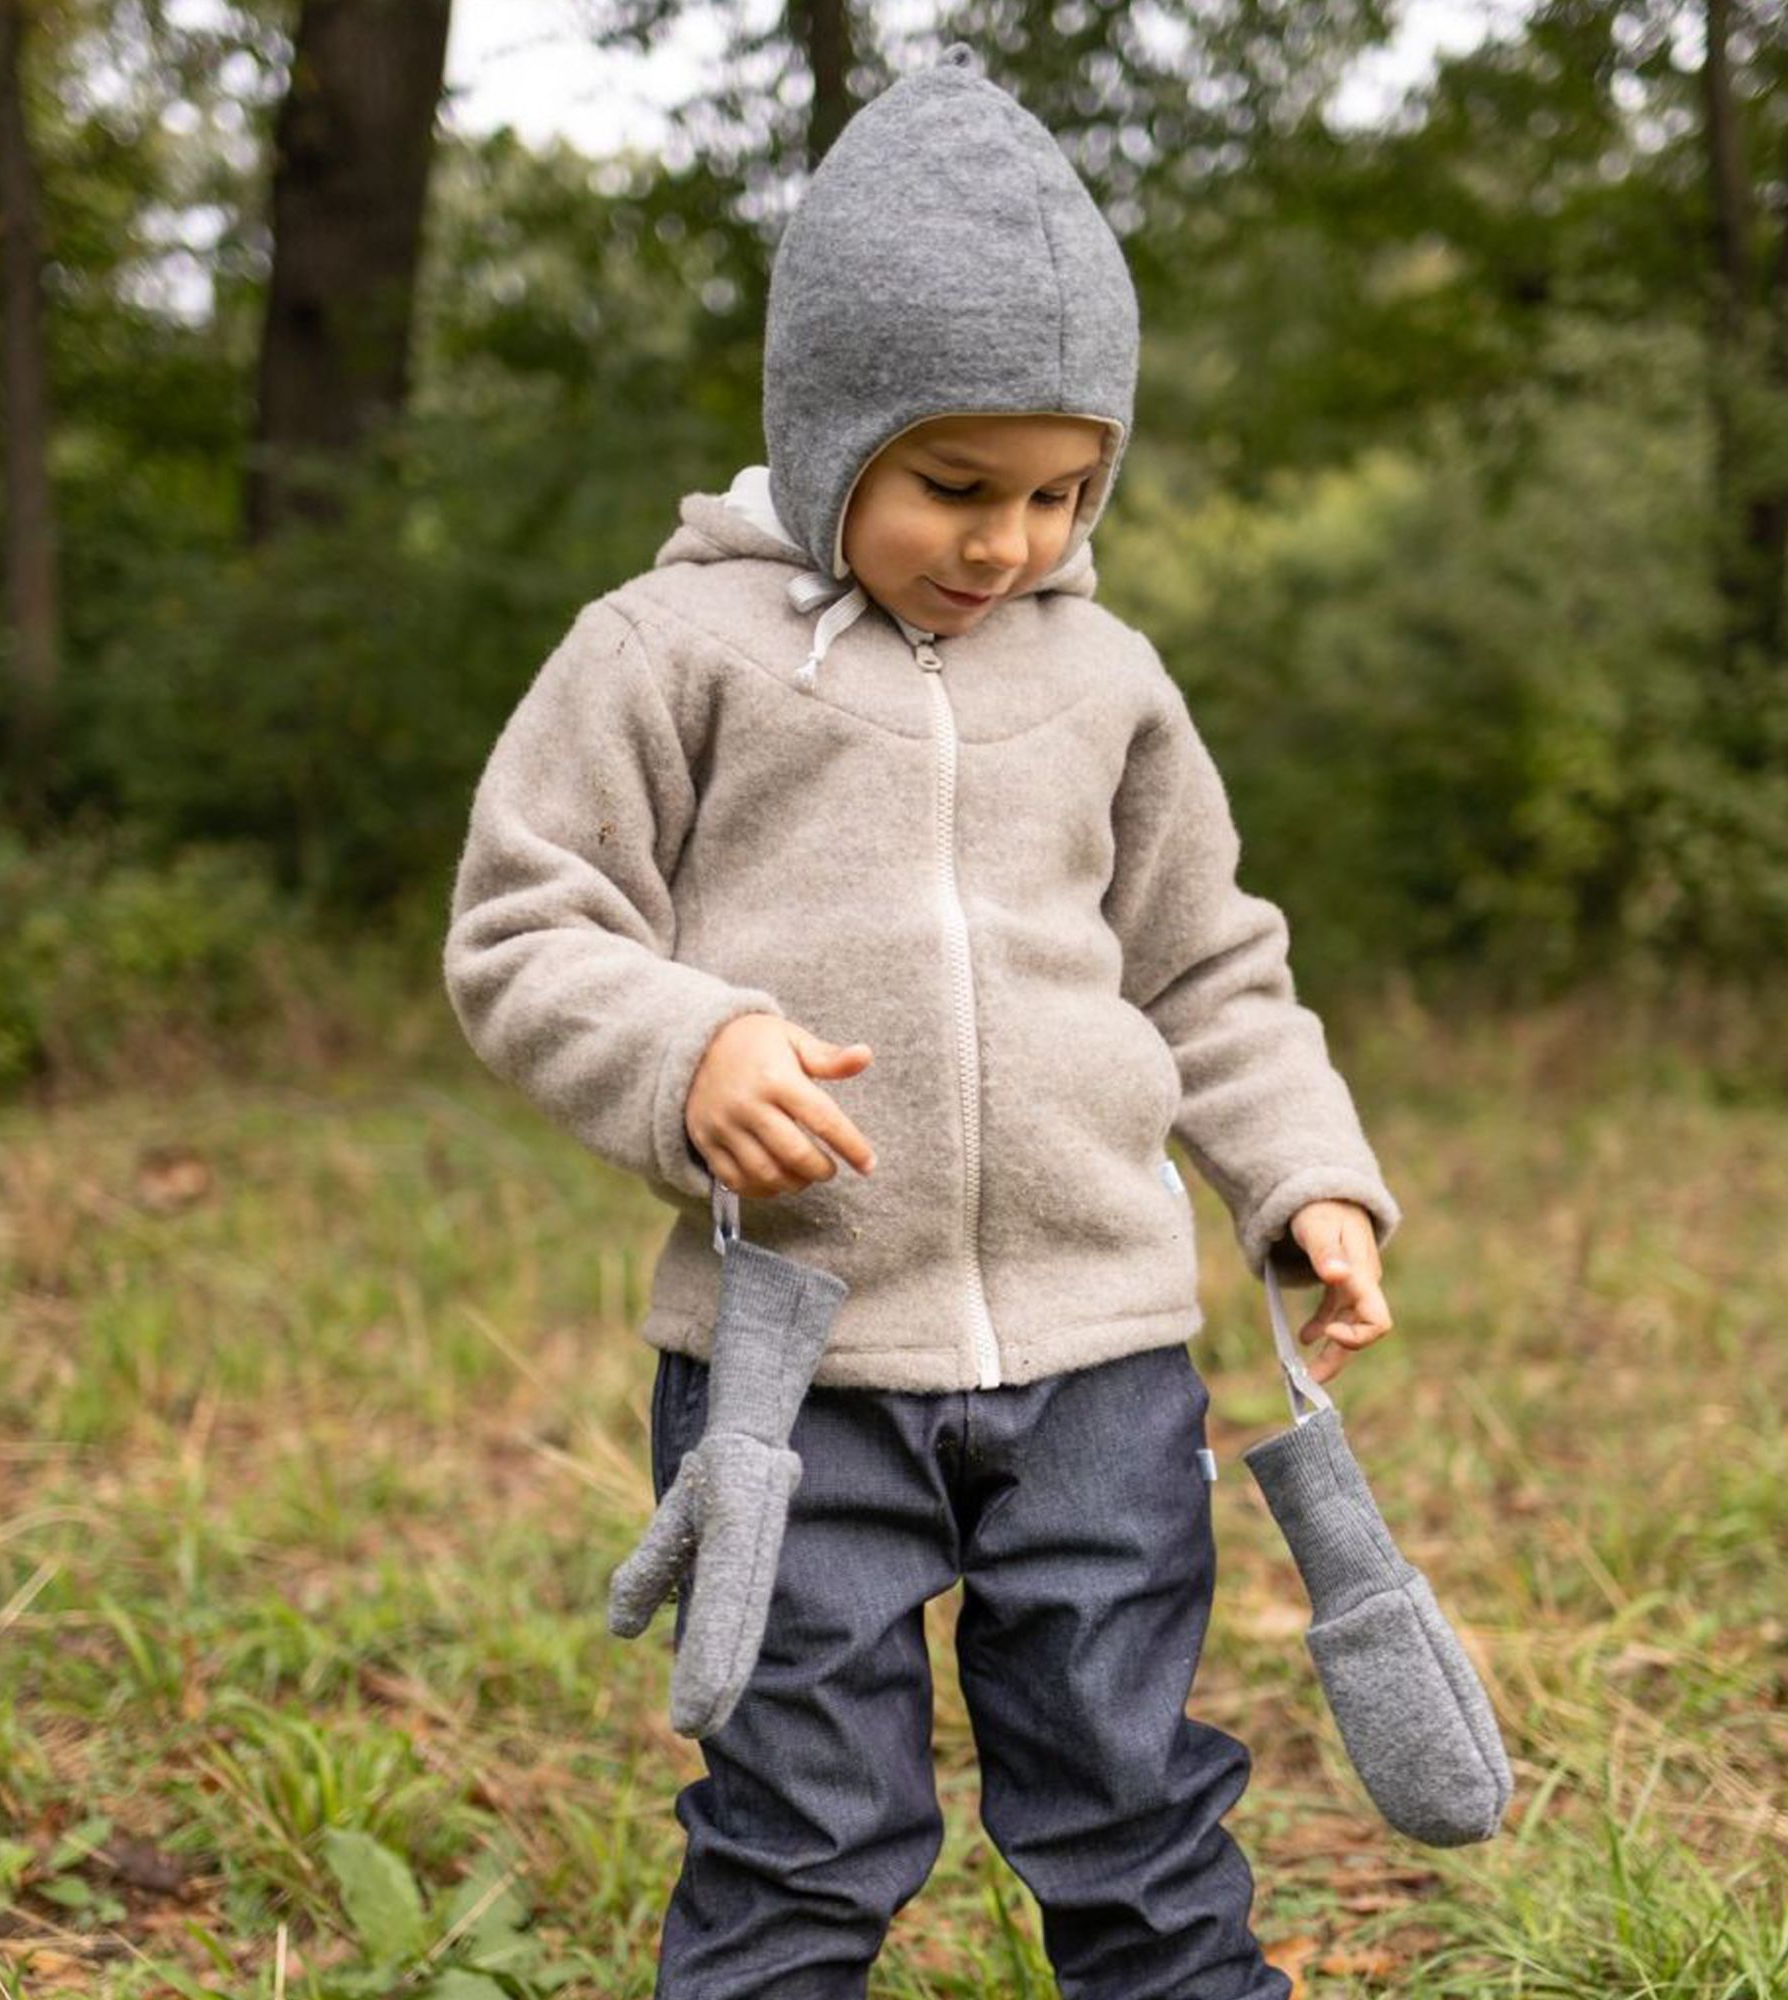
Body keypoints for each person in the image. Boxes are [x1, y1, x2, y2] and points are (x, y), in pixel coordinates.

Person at [442, 41, 1401, 2000]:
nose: (1006, 544)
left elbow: (1205, 964)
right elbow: (527, 926)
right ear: (827, 434)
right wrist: (689, 1046)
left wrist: (1303, 1175)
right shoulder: (670, 652)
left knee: (1135, 1805)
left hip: (1104, 1356)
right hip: (802, 1360)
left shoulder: (1105, 680)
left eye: (1061, 492)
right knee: (802, 1827)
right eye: (952, 485)